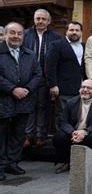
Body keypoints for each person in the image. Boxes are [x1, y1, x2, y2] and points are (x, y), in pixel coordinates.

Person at [0, 22, 42, 181]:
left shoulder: (30, 54)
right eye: (12, 33)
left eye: (19, 34)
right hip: (3, 101)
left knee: (18, 135)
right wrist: (12, 89)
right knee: (1, 135)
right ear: (5, 34)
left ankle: (12, 163)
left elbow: (38, 75)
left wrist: (28, 90)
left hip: (24, 101)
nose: (16, 36)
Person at [52, 79, 92, 174]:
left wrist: (85, 132)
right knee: (59, 137)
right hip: (74, 131)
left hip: (90, 132)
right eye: (83, 87)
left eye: (89, 88)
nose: (85, 90)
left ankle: (90, 162)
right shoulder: (71, 102)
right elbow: (63, 121)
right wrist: (72, 132)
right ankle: (67, 162)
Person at [24, 8, 62, 148]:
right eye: (37, 18)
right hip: (28, 77)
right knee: (29, 106)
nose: (40, 21)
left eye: (43, 19)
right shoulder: (25, 34)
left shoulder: (56, 37)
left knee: (43, 106)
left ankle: (40, 135)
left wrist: (54, 82)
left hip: (46, 78)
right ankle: (28, 135)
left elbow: (58, 60)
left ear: (49, 21)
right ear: (34, 19)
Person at [46, 21, 85, 129]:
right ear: (66, 32)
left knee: (77, 115)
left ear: (81, 32)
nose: (74, 32)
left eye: (77, 30)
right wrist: (52, 84)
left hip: (81, 88)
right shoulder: (57, 45)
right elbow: (50, 66)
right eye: (71, 30)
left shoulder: (84, 46)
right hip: (63, 88)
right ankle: (62, 139)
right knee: (63, 115)